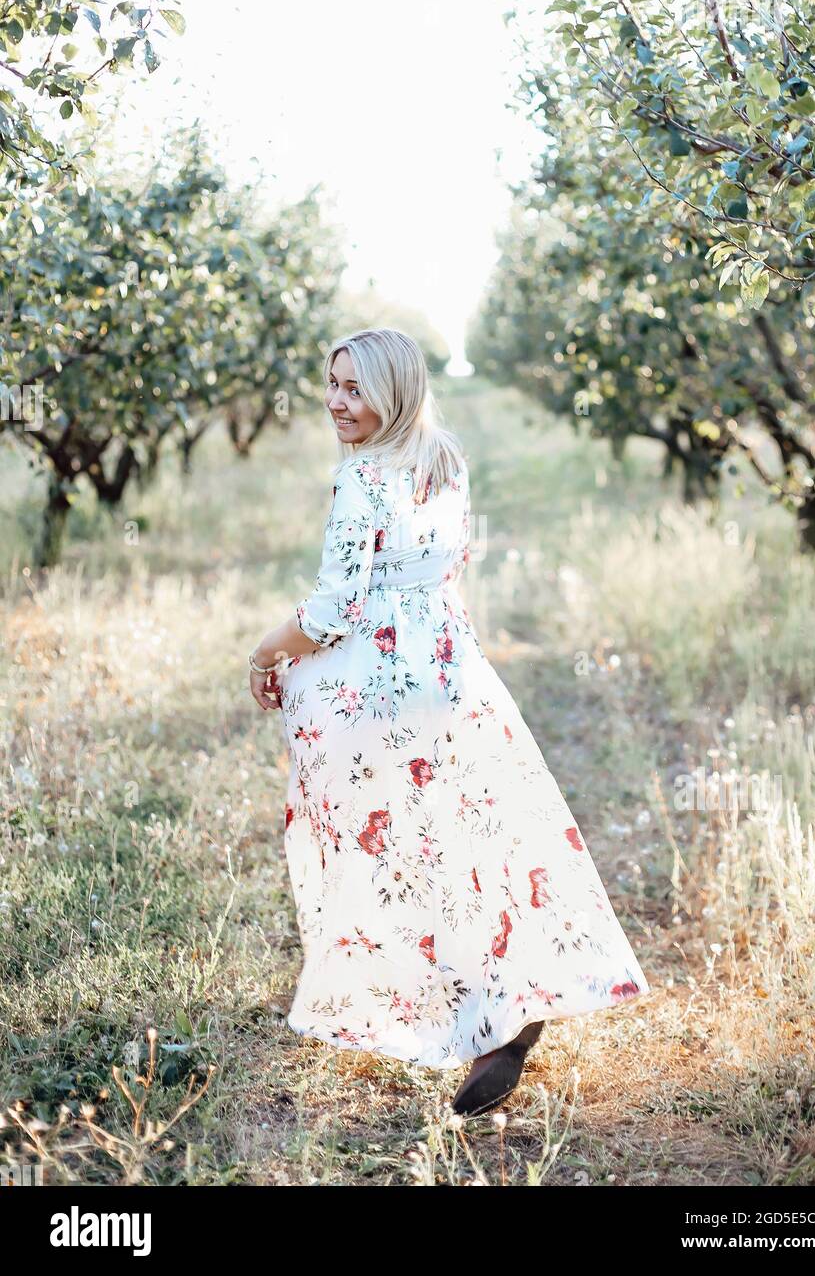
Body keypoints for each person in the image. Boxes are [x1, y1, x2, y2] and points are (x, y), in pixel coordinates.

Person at [249, 327, 651, 1118]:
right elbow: (446, 569)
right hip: (452, 671)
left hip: (382, 691)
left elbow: (337, 608)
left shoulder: (362, 476)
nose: (337, 401)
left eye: (356, 388)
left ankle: (475, 1015)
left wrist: (264, 650)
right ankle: (503, 1014)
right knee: (479, 841)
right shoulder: (447, 458)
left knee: (398, 853)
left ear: (394, 390)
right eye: (332, 384)